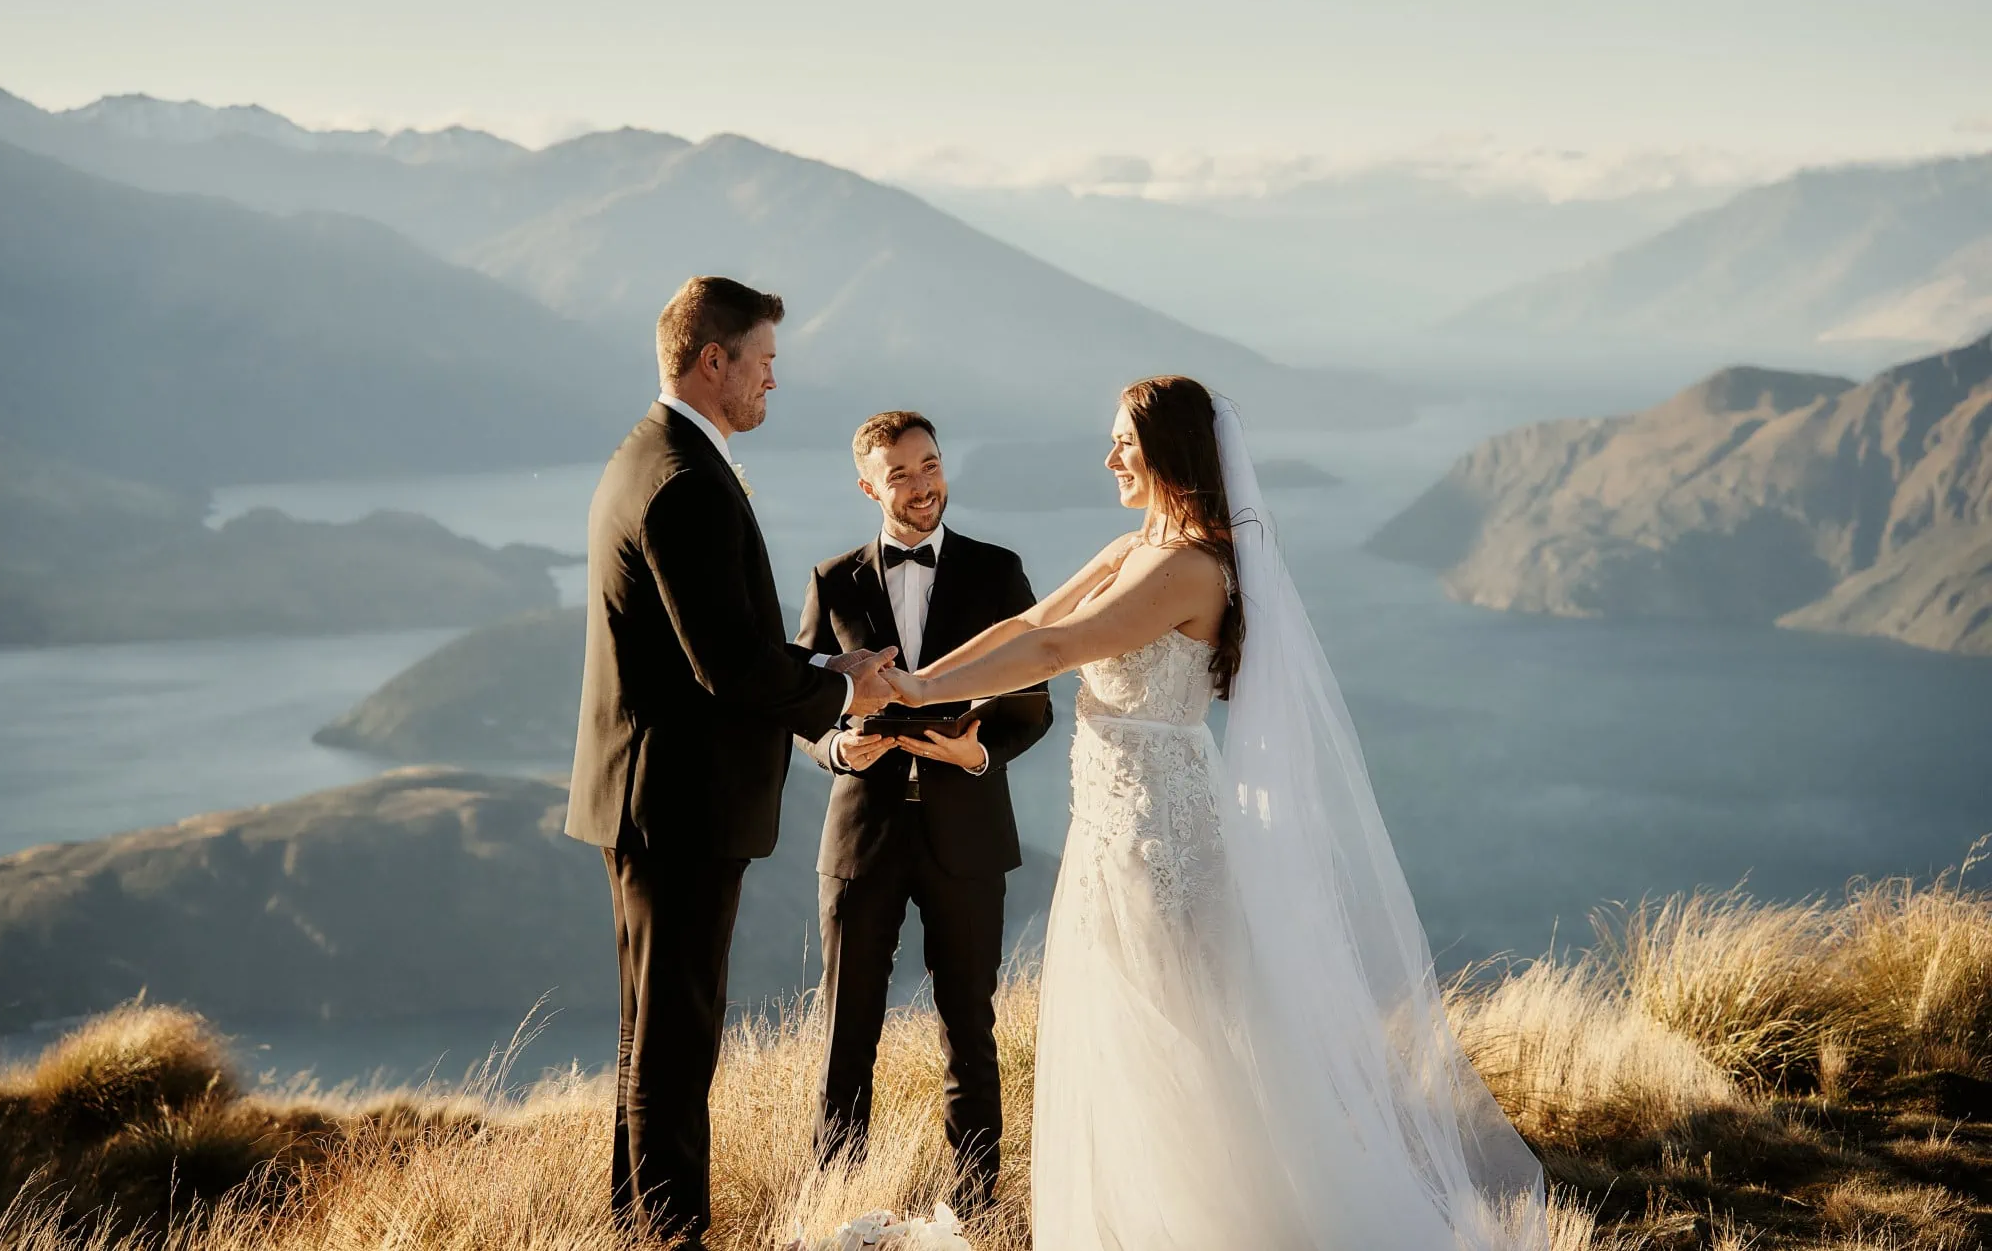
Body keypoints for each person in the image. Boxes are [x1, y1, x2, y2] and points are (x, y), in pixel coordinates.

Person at [884, 376, 1548, 1248]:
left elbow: (1057, 649)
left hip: (1162, 835)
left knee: (1174, 1033)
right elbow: (1029, 621)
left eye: (1125, 440)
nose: (1110, 455)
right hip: (1108, 826)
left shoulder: (1192, 569)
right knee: (1117, 1038)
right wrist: (914, 682)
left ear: (1169, 452)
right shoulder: (1132, 549)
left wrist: (922, 689)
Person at [563, 276, 897, 1250]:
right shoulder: (682, 482)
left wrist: (827, 662)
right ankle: (673, 1237)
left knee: (650, 1038)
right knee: (675, 1045)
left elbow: (712, 641)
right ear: (714, 362)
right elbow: (724, 667)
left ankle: (641, 1231)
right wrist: (845, 694)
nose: (771, 384)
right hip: (679, 806)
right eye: (764, 363)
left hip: (650, 797)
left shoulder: (654, 456)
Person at [792, 410, 1053, 1207]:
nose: (921, 484)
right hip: (861, 836)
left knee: (969, 1033)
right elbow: (803, 703)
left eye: (930, 464)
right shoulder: (832, 578)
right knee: (846, 1035)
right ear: (868, 484)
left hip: (967, 833)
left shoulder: (998, 571)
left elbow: (1034, 704)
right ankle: (835, 1208)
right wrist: (840, 749)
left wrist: (974, 754)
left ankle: (973, 1208)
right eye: (899, 473)